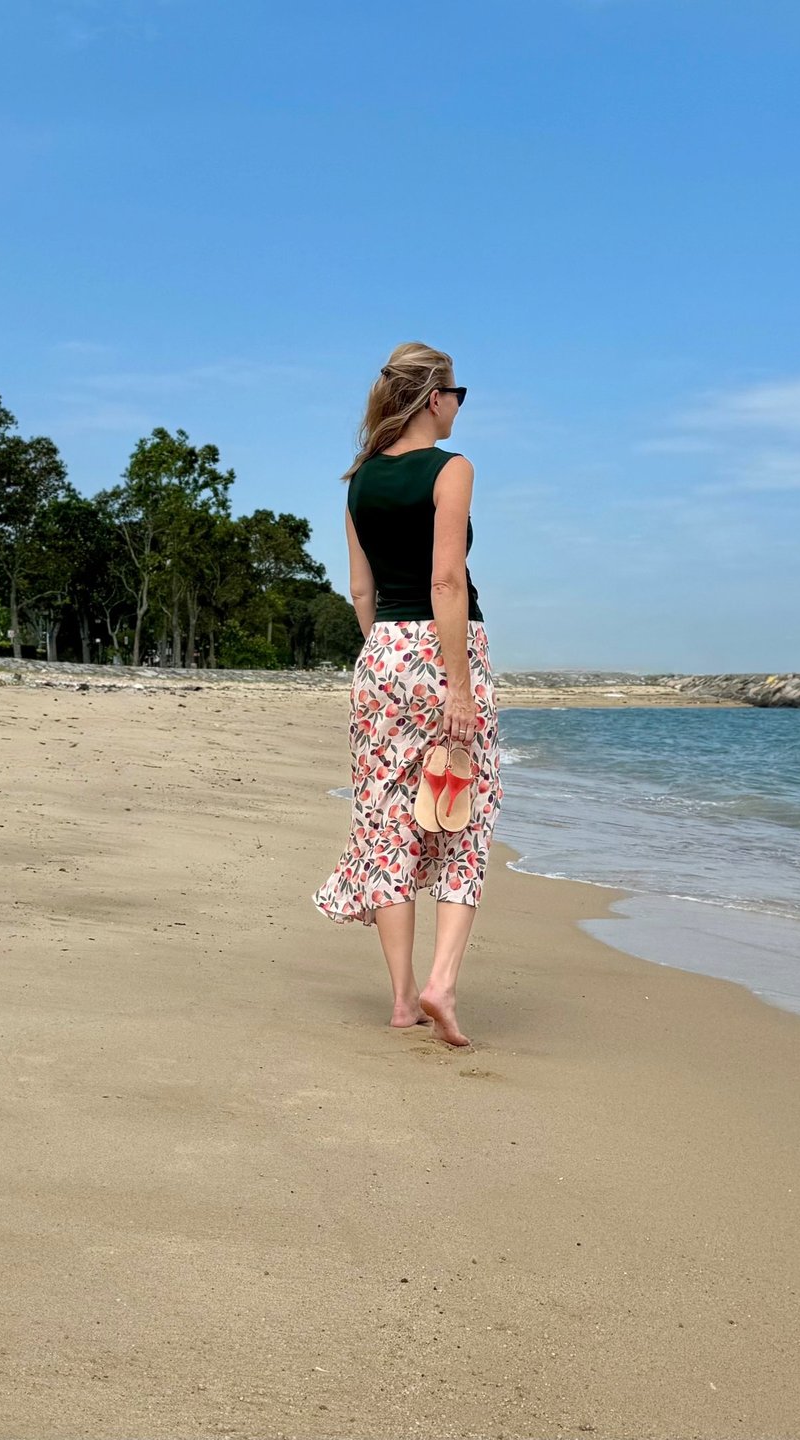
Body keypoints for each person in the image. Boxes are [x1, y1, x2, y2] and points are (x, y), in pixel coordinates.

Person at [311, 342, 503, 1049]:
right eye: (457, 392)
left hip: (383, 652)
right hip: (445, 647)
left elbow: (361, 589)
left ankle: (399, 1000)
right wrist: (455, 681)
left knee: (387, 819)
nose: (459, 405)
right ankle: (441, 984)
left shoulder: (358, 481)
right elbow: (446, 581)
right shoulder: (452, 470)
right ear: (434, 398)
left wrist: (382, 652)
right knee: (460, 813)